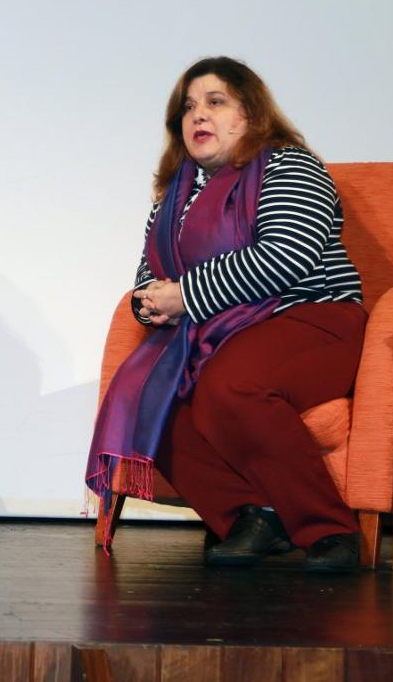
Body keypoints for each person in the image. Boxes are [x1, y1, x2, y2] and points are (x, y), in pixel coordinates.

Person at [86, 56, 366, 573]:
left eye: (215, 102)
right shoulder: (174, 195)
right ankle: (252, 517)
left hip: (311, 317)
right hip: (215, 333)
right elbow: (149, 274)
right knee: (150, 398)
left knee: (230, 386)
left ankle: (330, 529)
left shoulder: (291, 166)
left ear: (251, 114)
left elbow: (285, 256)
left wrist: (185, 296)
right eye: (188, 107)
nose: (198, 115)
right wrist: (150, 304)